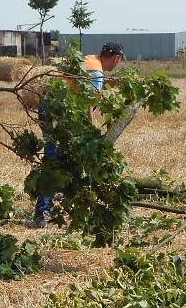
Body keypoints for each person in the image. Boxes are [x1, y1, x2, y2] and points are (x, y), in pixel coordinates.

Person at [28, 41, 125, 228]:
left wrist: (111, 83)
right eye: (119, 61)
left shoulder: (90, 60)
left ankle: (64, 199)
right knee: (53, 157)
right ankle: (42, 212)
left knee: (64, 156)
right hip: (57, 113)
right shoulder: (95, 72)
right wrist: (91, 132)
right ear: (116, 58)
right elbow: (88, 102)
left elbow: (81, 84)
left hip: (50, 106)